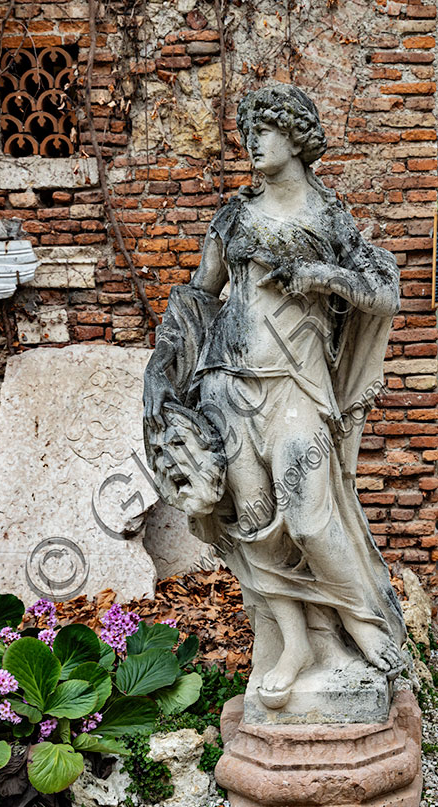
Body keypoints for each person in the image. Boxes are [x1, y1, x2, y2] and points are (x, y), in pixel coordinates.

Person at [143, 84, 405, 710]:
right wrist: (166, 366)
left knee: (311, 518)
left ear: (295, 137)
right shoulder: (232, 218)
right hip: (227, 390)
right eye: (248, 131)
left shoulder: (328, 219)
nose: (251, 142)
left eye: (263, 130)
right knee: (256, 526)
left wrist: (322, 278)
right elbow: (201, 294)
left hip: (297, 391)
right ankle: (291, 643)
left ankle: (366, 625)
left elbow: (383, 291)